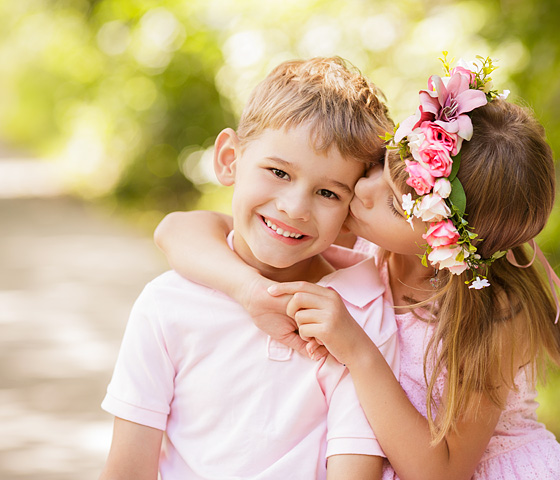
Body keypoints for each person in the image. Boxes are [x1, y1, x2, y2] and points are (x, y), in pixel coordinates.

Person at [155, 55, 560, 479]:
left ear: (448, 241)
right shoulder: (359, 226)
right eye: (385, 162)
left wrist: (359, 351)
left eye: (399, 204)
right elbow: (177, 231)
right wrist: (248, 290)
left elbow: (443, 472)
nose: (362, 187)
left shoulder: (496, 313)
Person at [99, 57, 400, 480]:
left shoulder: (360, 312)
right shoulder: (167, 304)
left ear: (351, 211)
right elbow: (127, 469)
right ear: (229, 159)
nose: (294, 208)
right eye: (278, 171)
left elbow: (355, 467)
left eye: (328, 193)